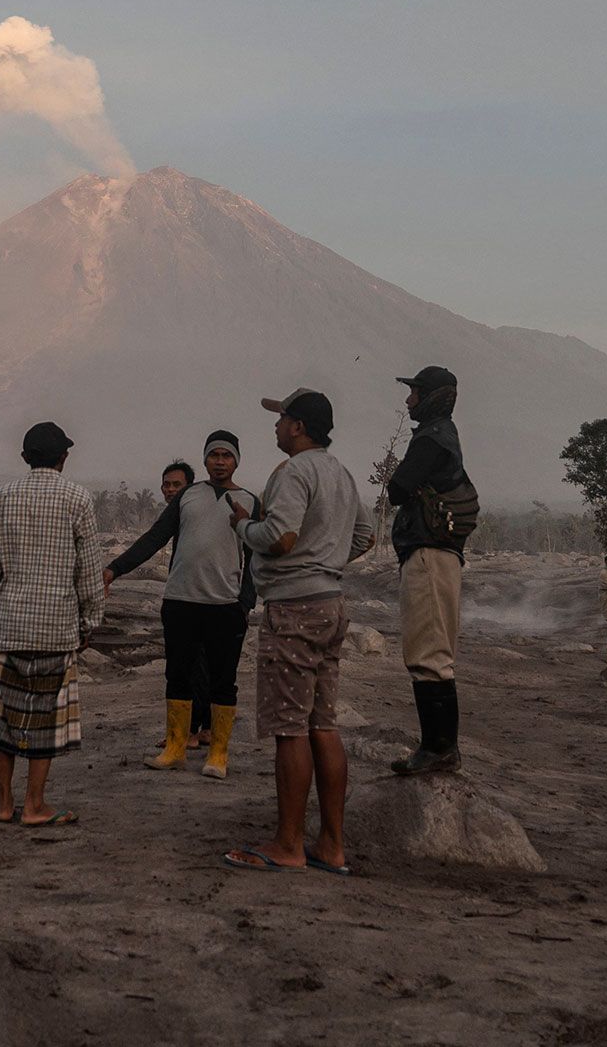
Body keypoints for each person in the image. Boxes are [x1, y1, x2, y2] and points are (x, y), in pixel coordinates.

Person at [223, 388, 373, 876]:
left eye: (281, 417)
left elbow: (280, 537)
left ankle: (287, 844)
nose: (276, 425)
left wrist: (244, 528)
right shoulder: (341, 472)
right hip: (330, 602)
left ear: (297, 426)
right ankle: (332, 845)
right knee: (322, 724)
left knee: (289, 728)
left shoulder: (293, 472)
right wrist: (326, 561)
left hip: (294, 608)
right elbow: (366, 535)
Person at [0, 422, 102, 826]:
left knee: (6, 717)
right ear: (63, 457)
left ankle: (2, 803)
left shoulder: (2, 497)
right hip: (56, 627)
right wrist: (90, 620)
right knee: (46, 718)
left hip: (11, 626)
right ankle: (34, 805)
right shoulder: (77, 498)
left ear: (25, 458)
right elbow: (89, 570)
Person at [106, 440, 256, 777]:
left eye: (226, 456)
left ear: (237, 461)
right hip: (180, 602)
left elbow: (256, 558)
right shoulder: (188, 496)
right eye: (214, 455)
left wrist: (246, 602)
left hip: (225, 606)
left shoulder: (249, 500)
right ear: (205, 460)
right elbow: (155, 537)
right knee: (177, 675)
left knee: (223, 681)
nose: (220, 462)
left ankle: (218, 754)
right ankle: (175, 748)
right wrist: (114, 568)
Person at [384, 365, 475, 776]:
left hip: (428, 555)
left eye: (415, 393)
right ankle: (439, 748)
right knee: (432, 650)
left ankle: (439, 749)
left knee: (428, 654)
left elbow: (398, 488)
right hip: (438, 554)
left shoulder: (431, 439)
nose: (408, 401)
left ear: (433, 397)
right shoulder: (446, 436)